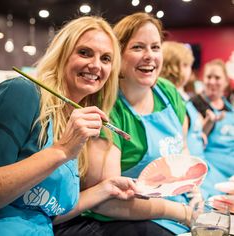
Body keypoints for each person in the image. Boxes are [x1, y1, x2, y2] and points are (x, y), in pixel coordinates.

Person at [54, 13, 194, 236]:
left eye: (155, 47)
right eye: (138, 47)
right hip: (127, 217)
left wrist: (193, 189)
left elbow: (183, 149)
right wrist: (180, 211)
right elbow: (107, 202)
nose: (149, 56)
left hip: (177, 208)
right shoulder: (107, 107)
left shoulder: (168, 92)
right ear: (118, 55)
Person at [0, 16, 138, 236]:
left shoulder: (75, 120)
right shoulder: (22, 93)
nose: (95, 65)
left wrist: (105, 189)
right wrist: (61, 150)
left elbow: (46, 210)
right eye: (84, 53)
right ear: (62, 54)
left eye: (106, 58)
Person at [191, 59, 234, 199]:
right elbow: (193, 142)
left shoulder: (229, 109)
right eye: (209, 77)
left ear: (226, 82)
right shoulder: (194, 105)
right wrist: (207, 124)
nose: (212, 81)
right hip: (209, 171)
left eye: (217, 77)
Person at [160, 41, 205, 158]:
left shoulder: (183, 95)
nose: (190, 70)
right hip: (187, 161)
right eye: (186, 65)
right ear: (173, 67)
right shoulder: (169, 99)